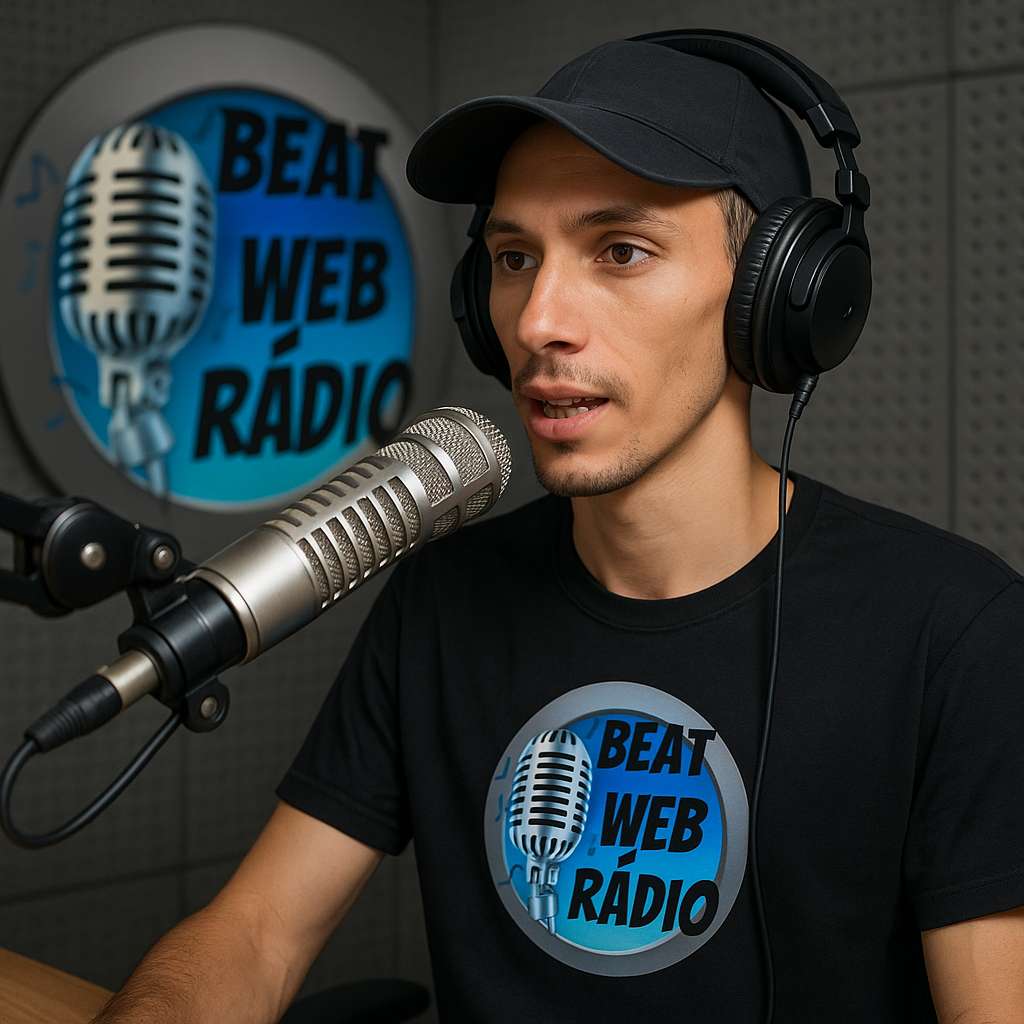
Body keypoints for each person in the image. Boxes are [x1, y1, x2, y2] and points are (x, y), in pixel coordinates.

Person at [92, 34, 1024, 1024]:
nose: (539, 321)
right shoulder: (444, 598)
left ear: (779, 293)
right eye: (512, 259)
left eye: (620, 250)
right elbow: (255, 936)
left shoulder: (954, 633)